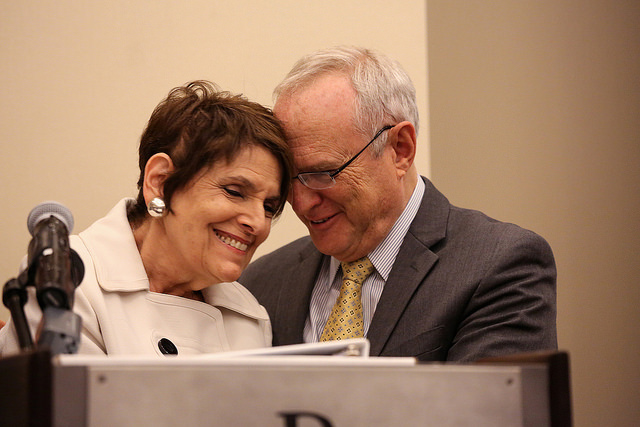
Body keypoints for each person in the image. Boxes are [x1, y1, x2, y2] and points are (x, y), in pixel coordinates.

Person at [240, 46, 557, 362]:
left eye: (323, 173)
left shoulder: (497, 264)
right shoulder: (261, 284)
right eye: (290, 178)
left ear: (400, 149)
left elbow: (485, 408)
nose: (302, 202)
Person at [0, 81, 292, 356]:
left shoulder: (250, 317)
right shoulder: (67, 278)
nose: (258, 222)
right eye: (234, 191)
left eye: (269, 206)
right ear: (161, 182)